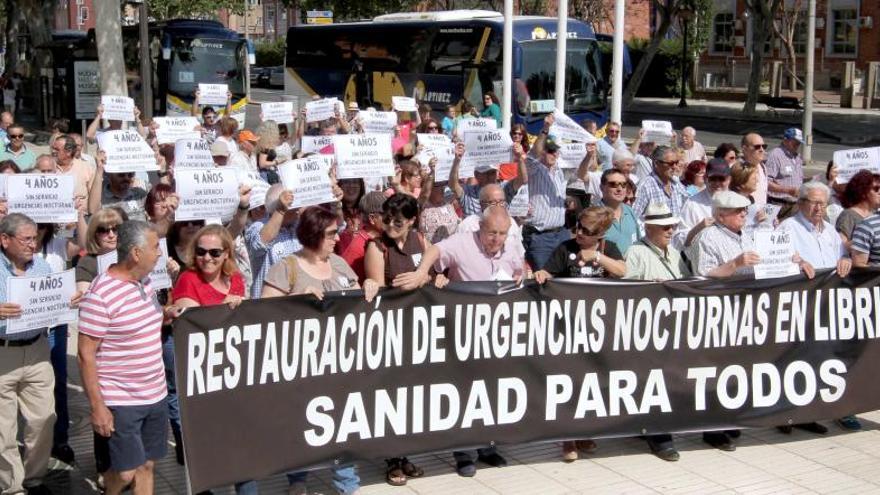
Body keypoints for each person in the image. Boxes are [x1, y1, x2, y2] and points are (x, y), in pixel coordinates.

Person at [392, 206, 522, 477]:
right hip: (463, 335)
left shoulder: (511, 248)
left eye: (501, 234)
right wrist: (422, 272)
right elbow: (435, 251)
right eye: (491, 233)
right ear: (479, 228)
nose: (496, 239)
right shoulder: (463, 242)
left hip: (498, 335)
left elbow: (520, 271)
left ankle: (488, 446)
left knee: (492, 394)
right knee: (465, 394)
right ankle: (463, 452)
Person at [260, 206, 374, 495]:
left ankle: (347, 484)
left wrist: (370, 285)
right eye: (332, 234)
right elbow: (262, 310)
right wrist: (297, 299)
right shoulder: (287, 267)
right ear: (313, 235)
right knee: (301, 422)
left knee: (341, 423)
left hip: (339, 361)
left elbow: (356, 295)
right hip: (302, 362)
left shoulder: (337, 263)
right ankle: (297, 480)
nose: (338, 238)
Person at [78, 221, 165, 495]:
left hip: (155, 394)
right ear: (136, 254)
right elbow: (85, 354)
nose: (160, 253)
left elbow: (143, 321)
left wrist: (168, 313)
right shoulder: (101, 294)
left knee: (147, 466)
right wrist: (97, 407)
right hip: (121, 400)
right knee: (126, 472)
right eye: (154, 247)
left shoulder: (146, 282)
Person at [0, 213, 81, 494]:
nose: (33, 244)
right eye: (26, 239)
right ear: (5, 240)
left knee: (44, 417)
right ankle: (12, 487)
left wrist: (68, 301)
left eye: (35, 238)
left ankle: (34, 478)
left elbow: (55, 303)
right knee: (4, 430)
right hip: (3, 355)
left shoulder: (43, 267)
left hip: (36, 350)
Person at [362, 194, 428, 486]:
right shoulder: (377, 247)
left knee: (411, 398)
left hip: (417, 330)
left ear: (412, 220)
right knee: (390, 397)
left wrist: (423, 276)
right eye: (386, 219)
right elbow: (378, 288)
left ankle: (405, 453)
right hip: (391, 331)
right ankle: (391, 458)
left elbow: (434, 257)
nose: (390, 225)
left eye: (397, 221)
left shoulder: (418, 240)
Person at [695, 191, 814, 279]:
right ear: (721, 216)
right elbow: (704, 276)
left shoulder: (745, 235)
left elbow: (767, 261)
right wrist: (735, 264)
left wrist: (792, 262)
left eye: (744, 209)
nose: (743, 214)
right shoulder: (707, 237)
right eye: (737, 210)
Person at [534, 206, 626, 282]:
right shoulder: (566, 247)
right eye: (579, 226)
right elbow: (548, 272)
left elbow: (622, 271)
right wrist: (541, 274)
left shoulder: (608, 247)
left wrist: (596, 256)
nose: (580, 232)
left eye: (586, 231)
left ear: (600, 235)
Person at [244, 184, 302, 297]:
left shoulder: (299, 226)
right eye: (292, 204)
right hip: (270, 305)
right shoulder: (258, 226)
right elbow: (259, 244)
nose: (297, 209)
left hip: (299, 303)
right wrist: (280, 211)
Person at [673, 158, 731, 252]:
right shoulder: (692, 204)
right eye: (712, 179)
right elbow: (677, 241)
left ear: (729, 179)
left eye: (721, 179)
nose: (717, 183)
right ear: (705, 178)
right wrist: (698, 229)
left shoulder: (736, 202)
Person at [337, 191, 386, 283]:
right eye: (386, 214)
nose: (391, 218)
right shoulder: (358, 247)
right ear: (372, 218)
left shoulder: (384, 238)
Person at [632, 145, 689, 221]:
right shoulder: (645, 187)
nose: (675, 167)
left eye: (676, 162)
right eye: (671, 163)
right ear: (656, 164)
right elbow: (634, 218)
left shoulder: (676, 184)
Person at [88, 151, 149, 220]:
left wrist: (162, 172)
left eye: (130, 174)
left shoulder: (140, 194)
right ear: (110, 175)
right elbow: (92, 211)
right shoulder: (101, 197)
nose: (126, 178)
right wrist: (100, 169)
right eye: (121, 175)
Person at [765, 128, 804, 220]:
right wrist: (788, 190)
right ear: (786, 140)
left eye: (799, 142)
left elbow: (793, 177)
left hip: (794, 204)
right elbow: (766, 182)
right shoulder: (775, 155)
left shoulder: (797, 157)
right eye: (795, 142)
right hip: (779, 204)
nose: (797, 145)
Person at [598, 168, 639, 255]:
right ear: (601, 187)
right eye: (613, 184)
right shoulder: (593, 215)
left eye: (623, 185)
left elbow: (638, 243)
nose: (619, 189)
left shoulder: (630, 211)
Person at [836, 170, 880, 249]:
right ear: (863, 192)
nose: (879, 192)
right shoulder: (848, 215)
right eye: (876, 189)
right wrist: (865, 238)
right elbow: (840, 248)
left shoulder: (877, 214)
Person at [52, 134, 96, 201]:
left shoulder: (86, 168)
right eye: (53, 148)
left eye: (57, 149)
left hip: (81, 210)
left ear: (68, 152)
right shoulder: (47, 167)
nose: (53, 151)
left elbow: (94, 196)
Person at [740, 132, 769, 206]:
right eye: (757, 147)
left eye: (764, 146)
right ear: (745, 149)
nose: (762, 149)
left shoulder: (763, 167)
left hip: (761, 215)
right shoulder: (739, 169)